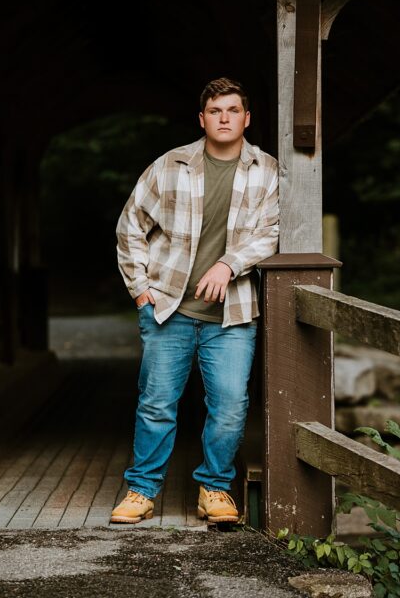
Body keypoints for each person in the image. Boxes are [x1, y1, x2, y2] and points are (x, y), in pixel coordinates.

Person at [110, 77, 278, 523]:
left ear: (247, 118)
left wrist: (229, 264)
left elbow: (273, 232)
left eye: (233, 110)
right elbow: (131, 226)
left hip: (234, 313)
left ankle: (214, 488)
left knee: (229, 404)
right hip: (168, 308)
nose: (224, 118)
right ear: (201, 119)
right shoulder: (170, 166)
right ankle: (141, 491)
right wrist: (140, 288)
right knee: (157, 402)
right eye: (215, 111)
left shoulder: (268, 171)